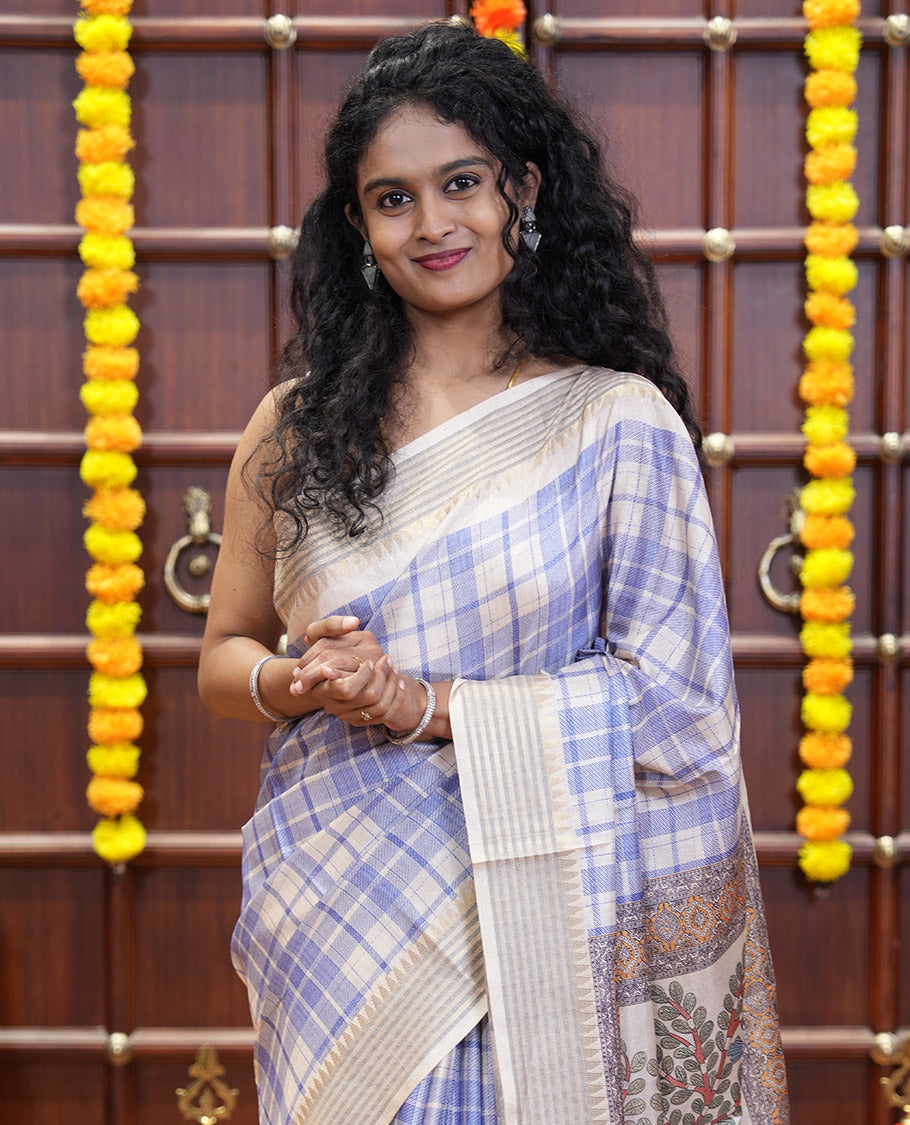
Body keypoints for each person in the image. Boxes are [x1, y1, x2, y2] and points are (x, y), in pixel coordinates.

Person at [198, 19, 789, 1125]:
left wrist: (424, 706)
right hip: (343, 920)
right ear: (355, 224)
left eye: (460, 183)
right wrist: (298, 684)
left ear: (522, 188)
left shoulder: (614, 423)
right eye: (392, 198)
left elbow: (678, 713)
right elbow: (224, 656)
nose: (432, 225)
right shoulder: (293, 428)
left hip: (551, 926)